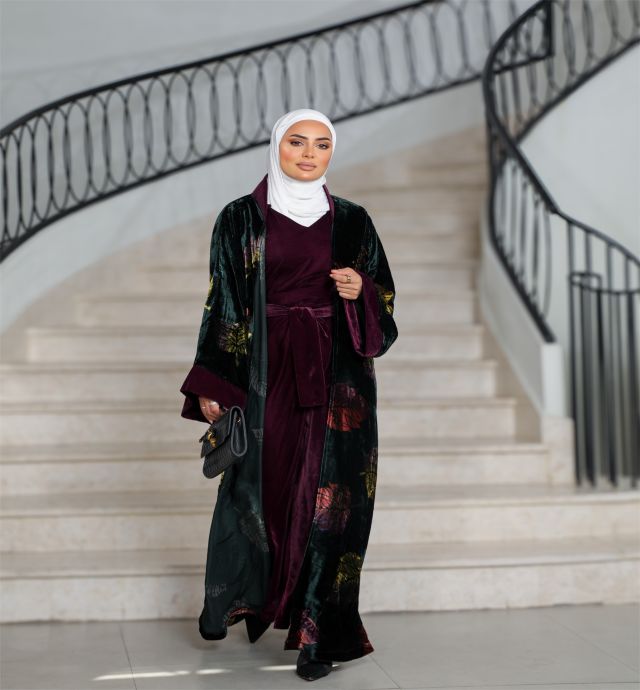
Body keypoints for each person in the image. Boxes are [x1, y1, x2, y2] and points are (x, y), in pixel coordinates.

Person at [179, 108, 398, 681]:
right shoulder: (240, 218)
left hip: (339, 379)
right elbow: (224, 300)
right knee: (267, 490)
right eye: (297, 142)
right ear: (277, 146)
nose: (309, 154)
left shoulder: (354, 221)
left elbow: (384, 297)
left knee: (332, 504)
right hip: (265, 373)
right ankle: (257, 598)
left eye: (321, 145)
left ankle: (319, 637)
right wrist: (214, 383)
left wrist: (361, 289)